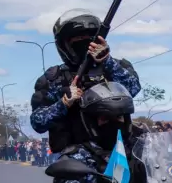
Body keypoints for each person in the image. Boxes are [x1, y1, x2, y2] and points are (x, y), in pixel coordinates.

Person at [30, 9, 141, 153]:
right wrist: (63, 104)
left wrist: (107, 61)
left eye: (89, 38)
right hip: (78, 157)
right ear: (64, 44)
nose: (85, 42)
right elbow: (37, 122)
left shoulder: (116, 67)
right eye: (78, 39)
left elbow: (133, 89)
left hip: (122, 151)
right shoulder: (54, 78)